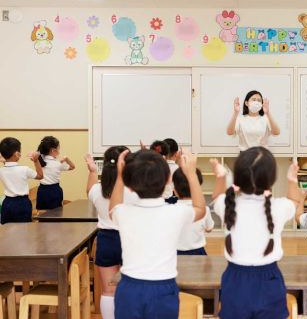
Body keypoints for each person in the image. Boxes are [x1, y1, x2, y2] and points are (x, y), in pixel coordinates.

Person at [109, 149, 206, 319]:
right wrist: (190, 174)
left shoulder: (123, 213)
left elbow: (113, 207)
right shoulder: (176, 213)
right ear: (169, 180)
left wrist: (119, 175)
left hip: (130, 288)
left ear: (129, 186)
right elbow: (200, 209)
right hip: (163, 289)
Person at [210, 147, 305, 319]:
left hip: (235, 280)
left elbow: (217, 197)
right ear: (271, 182)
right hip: (269, 280)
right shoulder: (278, 208)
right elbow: (294, 200)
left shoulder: (228, 205)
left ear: (237, 179)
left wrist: (221, 177)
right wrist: (292, 179)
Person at [85, 146, 139, 319]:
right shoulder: (135, 190)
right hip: (129, 240)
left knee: (108, 290)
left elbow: (89, 190)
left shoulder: (97, 190)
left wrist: (92, 171)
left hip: (106, 240)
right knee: (129, 287)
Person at [0, 137, 43, 224]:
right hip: (22, 204)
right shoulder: (24, 169)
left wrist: (5, 161)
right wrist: (36, 161)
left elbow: (8, 167)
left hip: (7, 203)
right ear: (17, 154)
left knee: (7, 231)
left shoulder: (1, 170)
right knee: (23, 231)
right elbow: (40, 176)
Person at [173, 168, 215, 255]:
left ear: (175, 191)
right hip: (198, 252)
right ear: (197, 189)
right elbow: (209, 229)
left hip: (175, 253)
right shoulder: (205, 210)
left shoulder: (170, 210)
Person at [36, 136, 75, 210]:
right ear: (53, 151)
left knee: (41, 214)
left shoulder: (40, 162)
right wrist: (67, 159)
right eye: (58, 148)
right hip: (54, 191)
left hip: (42, 191)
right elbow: (72, 167)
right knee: (56, 214)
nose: (59, 151)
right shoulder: (57, 164)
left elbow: (39, 155)